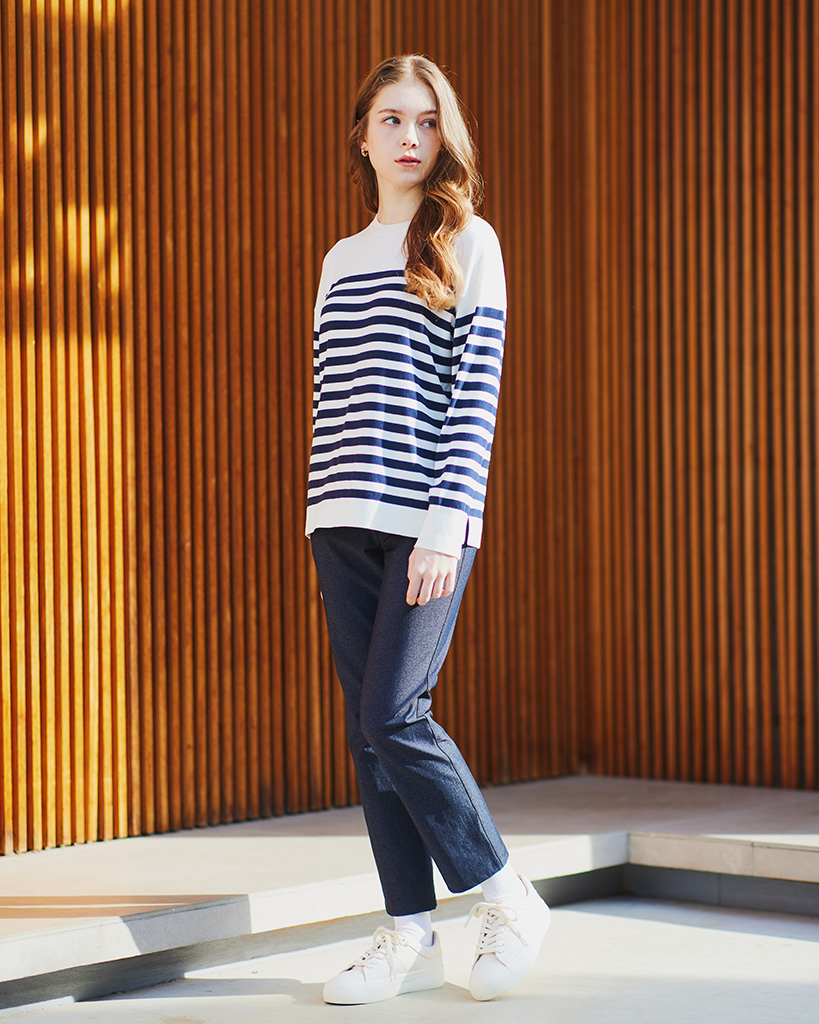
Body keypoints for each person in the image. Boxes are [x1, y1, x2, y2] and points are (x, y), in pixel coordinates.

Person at [305, 54, 550, 1005]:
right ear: (362, 137)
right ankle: (405, 929)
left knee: (393, 713)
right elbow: (331, 398)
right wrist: (323, 508)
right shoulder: (340, 260)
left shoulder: (467, 240)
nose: (410, 137)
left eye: (426, 120)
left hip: (427, 521)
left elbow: (474, 393)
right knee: (367, 738)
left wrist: (447, 525)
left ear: (444, 135)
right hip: (340, 516)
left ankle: (503, 891)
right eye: (391, 120)